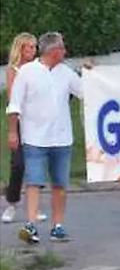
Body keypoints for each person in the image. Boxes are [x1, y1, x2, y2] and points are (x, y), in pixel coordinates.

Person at [7, 32, 86, 244]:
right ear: (52, 51)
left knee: (60, 184)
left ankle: (57, 225)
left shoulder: (66, 73)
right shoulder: (27, 72)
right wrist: (13, 131)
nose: (65, 51)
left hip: (61, 138)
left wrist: (92, 73)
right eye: (62, 48)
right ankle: (31, 223)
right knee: (34, 181)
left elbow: (85, 92)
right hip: (34, 137)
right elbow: (14, 104)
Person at [2, 33, 46, 225]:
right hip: (20, 122)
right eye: (29, 47)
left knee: (36, 164)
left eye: (34, 47)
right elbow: (13, 97)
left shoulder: (39, 68)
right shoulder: (13, 70)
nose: (32, 50)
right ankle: (12, 203)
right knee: (18, 164)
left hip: (37, 122)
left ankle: (34, 208)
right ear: (20, 49)